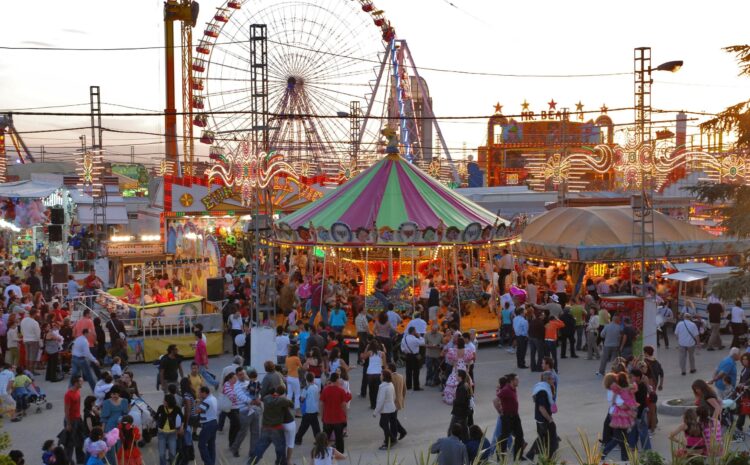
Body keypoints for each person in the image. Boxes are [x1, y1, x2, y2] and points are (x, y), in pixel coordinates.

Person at [248, 384, 293, 465]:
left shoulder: (266, 398)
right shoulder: (282, 400)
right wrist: (283, 397)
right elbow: (291, 404)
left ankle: (250, 463)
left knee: (259, 449)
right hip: (277, 428)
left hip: (265, 427)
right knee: (280, 450)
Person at [601, 372, 638, 462]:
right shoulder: (612, 391)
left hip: (620, 416)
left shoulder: (614, 390)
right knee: (619, 438)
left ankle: (625, 459)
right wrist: (630, 406)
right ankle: (603, 453)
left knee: (623, 439)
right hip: (616, 416)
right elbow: (620, 404)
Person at [525, 371, 558, 462]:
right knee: (548, 437)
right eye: (552, 378)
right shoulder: (543, 391)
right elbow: (541, 408)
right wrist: (550, 419)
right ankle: (548, 456)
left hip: (540, 419)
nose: (554, 380)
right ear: (547, 379)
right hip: (543, 420)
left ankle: (532, 454)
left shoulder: (541, 387)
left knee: (542, 437)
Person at [319, 371, 352, 453]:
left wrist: (322, 415)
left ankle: (321, 452)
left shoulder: (325, 390)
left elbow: (321, 404)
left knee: (325, 438)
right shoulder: (341, 390)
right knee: (339, 438)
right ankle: (340, 453)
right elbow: (344, 405)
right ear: (337, 380)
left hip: (327, 418)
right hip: (339, 419)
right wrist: (345, 416)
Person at [499, 373, 525, 459]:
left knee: (520, 435)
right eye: (516, 380)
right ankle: (501, 456)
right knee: (504, 437)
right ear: (512, 381)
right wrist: (501, 412)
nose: (518, 381)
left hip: (515, 416)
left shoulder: (513, 389)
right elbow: (496, 400)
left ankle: (518, 456)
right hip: (507, 417)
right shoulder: (506, 390)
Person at [443, 336, 475, 405]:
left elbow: (453, 362)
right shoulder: (467, 350)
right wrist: (468, 368)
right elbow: (470, 360)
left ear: (457, 343)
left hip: (456, 367)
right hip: (463, 367)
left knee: (454, 380)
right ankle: (468, 396)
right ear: (463, 343)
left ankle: (454, 397)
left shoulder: (453, 350)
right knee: (466, 380)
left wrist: (455, 368)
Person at [63, 376, 86, 464]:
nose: (82, 382)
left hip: (78, 419)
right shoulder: (69, 394)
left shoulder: (78, 391)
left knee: (80, 440)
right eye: (80, 381)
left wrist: (79, 417)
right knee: (70, 443)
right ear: (76, 383)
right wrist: (68, 424)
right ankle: (67, 461)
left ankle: (80, 460)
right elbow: (66, 410)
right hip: (71, 421)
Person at [373, 369, 398, 450]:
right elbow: (394, 396)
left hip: (385, 410)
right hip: (391, 407)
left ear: (384, 377)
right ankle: (391, 439)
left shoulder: (383, 387)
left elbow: (380, 401)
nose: (380, 376)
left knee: (384, 425)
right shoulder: (391, 384)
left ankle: (389, 441)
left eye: (381, 375)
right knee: (384, 425)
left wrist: (375, 412)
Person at [155, 394, 183, 465]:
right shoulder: (161, 407)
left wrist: (181, 427)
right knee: (161, 454)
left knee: (172, 453)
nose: (163, 401)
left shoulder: (177, 408)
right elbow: (156, 416)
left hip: (172, 434)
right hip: (161, 433)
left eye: (164, 400)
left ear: (168, 402)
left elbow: (182, 418)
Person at [295, 372, 321, 445]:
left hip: (307, 410)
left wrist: (300, 398)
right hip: (315, 410)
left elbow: (302, 399)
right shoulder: (316, 387)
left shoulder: (306, 388)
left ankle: (298, 439)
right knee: (316, 427)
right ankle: (319, 440)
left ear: (306, 379)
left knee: (303, 427)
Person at [448, 369, 472, 442]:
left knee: (451, 430)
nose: (455, 376)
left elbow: (461, 401)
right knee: (464, 431)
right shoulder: (464, 385)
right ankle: (467, 444)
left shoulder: (462, 387)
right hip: (463, 412)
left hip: (459, 412)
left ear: (460, 377)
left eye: (456, 375)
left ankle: (450, 444)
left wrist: (454, 400)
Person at [197, 386, 218, 465]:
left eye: (200, 392)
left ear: (204, 393)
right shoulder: (213, 398)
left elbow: (198, 411)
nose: (198, 394)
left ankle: (209, 463)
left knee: (201, 445)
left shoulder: (206, 401)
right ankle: (211, 462)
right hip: (214, 423)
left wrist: (198, 402)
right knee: (211, 445)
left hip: (208, 424)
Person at [363, 340, 385, 409]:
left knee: (371, 390)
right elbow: (384, 365)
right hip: (378, 372)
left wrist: (366, 348)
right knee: (377, 390)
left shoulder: (370, 353)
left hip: (370, 373)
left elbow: (363, 357)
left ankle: (373, 405)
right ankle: (377, 405)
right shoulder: (382, 353)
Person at [401, 326, 424, 391]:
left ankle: (408, 385)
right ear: (413, 331)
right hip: (415, 355)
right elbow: (422, 343)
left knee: (408, 371)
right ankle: (416, 386)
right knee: (416, 371)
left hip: (408, 355)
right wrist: (420, 336)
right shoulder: (415, 339)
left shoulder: (404, 338)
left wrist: (406, 351)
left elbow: (402, 348)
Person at [20, 308, 41, 374]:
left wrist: (24, 336)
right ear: (35, 314)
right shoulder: (35, 322)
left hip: (26, 339)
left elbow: (21, 330)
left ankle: (27, 369)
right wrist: (39, 342)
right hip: (34, 340)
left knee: (27, 355)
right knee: (33, 356)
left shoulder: (23, 320)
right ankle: (31, 370)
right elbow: (38, 334)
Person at [424, 322, 444, 387]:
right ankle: (428, 380)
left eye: (436, 330)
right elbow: (424, 344)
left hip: (437, 355)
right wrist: (428, 345)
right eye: (433, 330)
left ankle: (435, 380)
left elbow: (443, 344)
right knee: (429, 368)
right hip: (429, 354)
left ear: (438, 329)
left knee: (437, 368)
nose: (434, 331)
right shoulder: (426, 334)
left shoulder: (441, 335)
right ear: (431, 328)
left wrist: (439, 345)